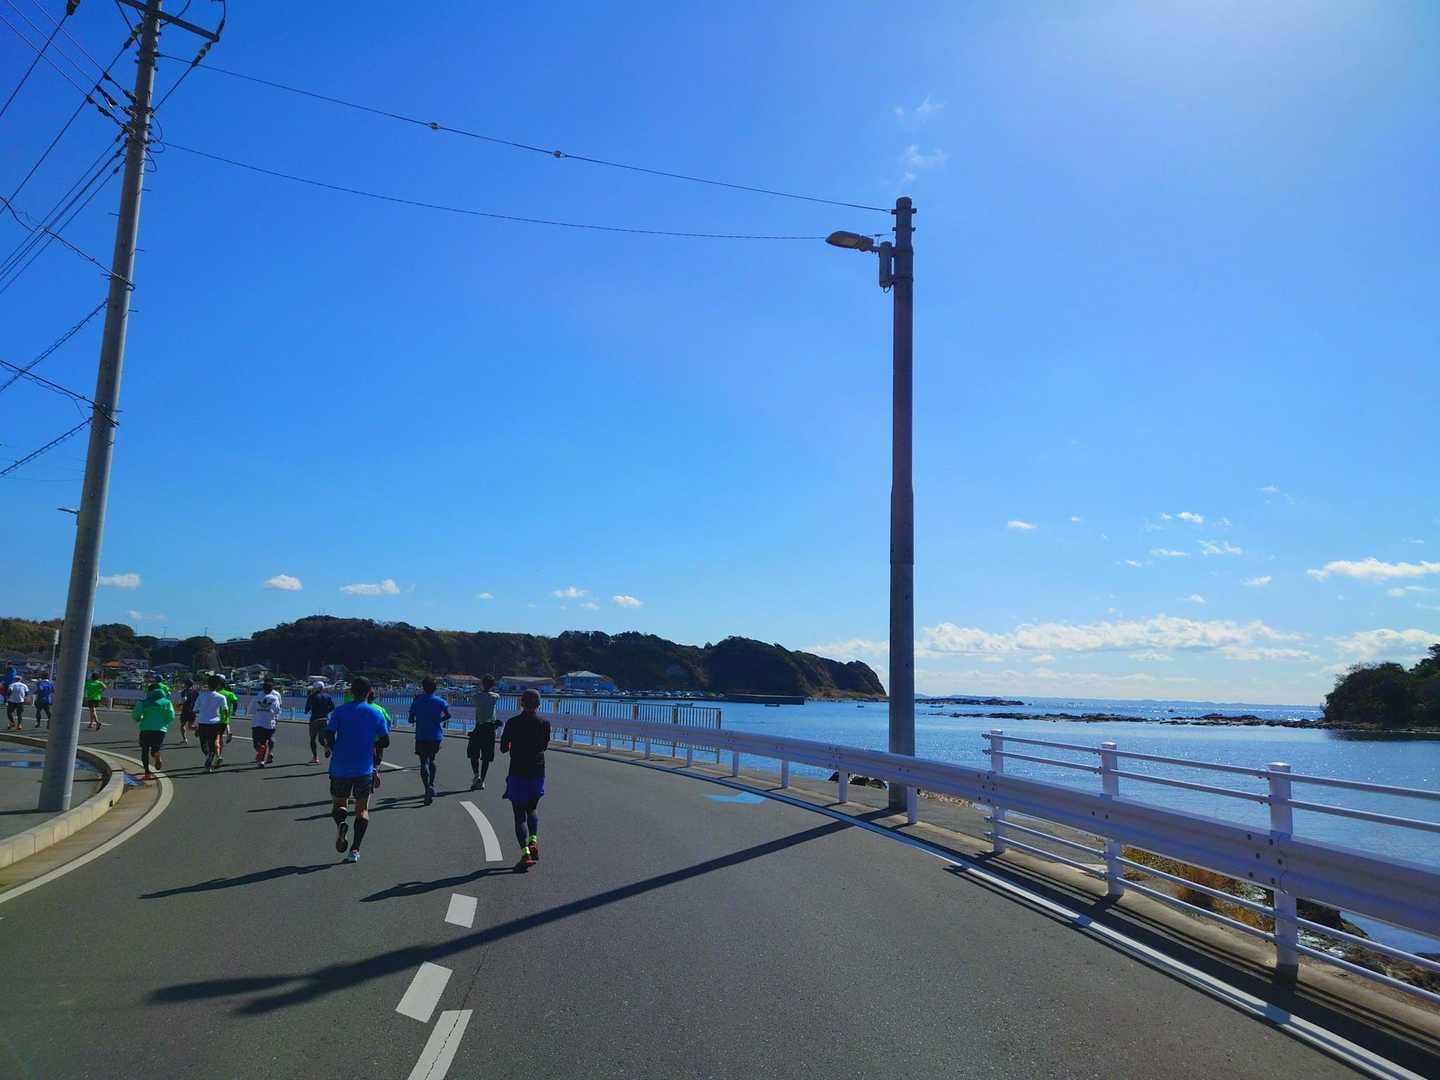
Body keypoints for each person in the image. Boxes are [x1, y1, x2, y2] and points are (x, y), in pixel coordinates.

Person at [323, 676, 390, 863]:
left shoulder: (339, 711)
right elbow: (385, 741)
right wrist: (370, 744)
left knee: (339, 804)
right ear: (370, 692)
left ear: (351, 692)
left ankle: (341, 824)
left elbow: (328, 734)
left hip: (340, 766)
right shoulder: (376, 713)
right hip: (364, 768)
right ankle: (354, 850)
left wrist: (334, 748)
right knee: (362, 809)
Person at [500, 688, 551, 871]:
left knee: (519, 815)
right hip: (537, 770)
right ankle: (533, 841)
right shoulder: (544, 723)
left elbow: (503, 748)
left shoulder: (513, 722)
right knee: (532, 809)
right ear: (539, 704)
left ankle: (525, 854)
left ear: (521, 703)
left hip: (518, 772)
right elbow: (544, 746)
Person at [408, 677, 451, 805]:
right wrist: (438, 721)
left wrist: (417, 719)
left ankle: (427, 788)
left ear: (423, 687)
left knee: (423, 762)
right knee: (432, 760)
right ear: (435, 688)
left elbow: (410, 719)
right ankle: (432, 784)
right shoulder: (440, 701)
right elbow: (448, 715)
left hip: (421, 735)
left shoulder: (417, 701)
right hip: (436, 736)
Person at [131, 678, 175, 780]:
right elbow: (171, 716)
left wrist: (139, 718)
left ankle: (147, 773)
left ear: (149, 692)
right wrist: (164, 722)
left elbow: (135, 716)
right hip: (160, 729)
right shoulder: (167, 702)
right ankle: (157, 754)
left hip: (145, 728)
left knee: (144, 750)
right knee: (155, 748)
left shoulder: (143, 702)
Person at [467, 674, 501, 790]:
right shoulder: (495, 696)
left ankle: (476, 775)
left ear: (482, 684)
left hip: (479, 727)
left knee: (473, 753)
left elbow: (476, 697)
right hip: (490, 728)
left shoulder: (476, 697)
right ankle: (482, 780)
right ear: (493, 685)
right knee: (486, 756)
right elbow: (495, 695)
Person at [195, 674, 229, 772]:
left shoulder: (201, 696)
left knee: (203, 744)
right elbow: (225, 710)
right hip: (215, 722)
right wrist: (225, 720)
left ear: (208, 685)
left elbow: (195, 709)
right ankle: (210, 759)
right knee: (212, 743)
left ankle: (208, 759)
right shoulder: (221, 697)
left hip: (203, 722)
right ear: (217, 686)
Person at [251, 679, 282, 767]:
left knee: (258, 742)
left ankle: (262, 759)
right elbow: (278, 710)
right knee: (265, 740)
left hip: (257, 722)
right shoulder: (274, 697)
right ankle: (262, 759)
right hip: (269, 723)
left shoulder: (258, 696)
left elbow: (251, 709)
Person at [366, 689, 391, 791]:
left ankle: (370, 772)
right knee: (379, 755)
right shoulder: (380, 709)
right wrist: (386, 731)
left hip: (366, 738)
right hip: (380, 736)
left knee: (368, 757)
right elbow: (388, 721)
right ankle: (375, 769)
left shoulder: (362, 708)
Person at [305, 685, 336, 764]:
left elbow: (307, 708)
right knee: (321, 739)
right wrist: (326, 712)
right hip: (324, 719)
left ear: (316, 688)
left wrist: (308, 710)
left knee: (313, 739)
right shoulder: (328, 696)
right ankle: (327, 747)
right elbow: (333, 707)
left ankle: (315, 758)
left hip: (314, 720)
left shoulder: (312, 696)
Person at [216, 677, 238, 746]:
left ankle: (218, 747)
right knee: (226, 722)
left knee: (217, 735)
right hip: (227, 711)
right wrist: (234, 711)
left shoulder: (216, 693)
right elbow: (235, 702)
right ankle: (228, 732)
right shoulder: (230, 693)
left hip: (217, 714)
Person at [177, 679, 199, 745]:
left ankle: (185, 739)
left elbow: (184, 699)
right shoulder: (195, 692)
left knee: (182, 725)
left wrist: (180, 704)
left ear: (186, 684)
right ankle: (197, 729)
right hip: (193, 711)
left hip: (185, 710)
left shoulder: (185, 691)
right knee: (190, 726)